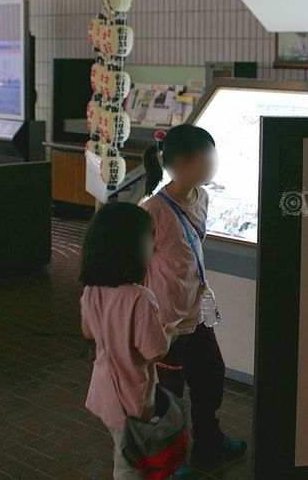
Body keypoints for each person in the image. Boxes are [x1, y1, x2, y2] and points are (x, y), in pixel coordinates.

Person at [141, 125, 247, 469]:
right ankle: (170, 461)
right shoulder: (152, 210)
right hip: (166, 321)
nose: (213, 164)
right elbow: (137, 269)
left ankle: (209, 444)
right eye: (207, 158)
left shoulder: (202, 198)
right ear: (181, 163)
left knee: (210, 378)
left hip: (196, 313)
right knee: (170, 396)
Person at [80, 202, 190, 479]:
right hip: (132, 398)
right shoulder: (139, 298)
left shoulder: (92, 290)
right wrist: (169, 332)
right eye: (149, 236)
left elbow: (88, 332)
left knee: (123, 449)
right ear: (133, 247)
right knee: (129, 463)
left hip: (103, 392)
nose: (153, 244)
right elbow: (154, 351)